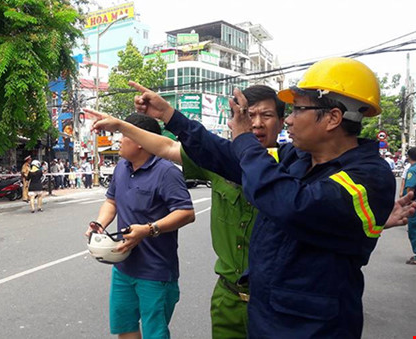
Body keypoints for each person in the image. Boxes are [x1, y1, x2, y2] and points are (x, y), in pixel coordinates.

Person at [88, 84, 416, 339]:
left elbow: (291, 204)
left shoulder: (368, 175)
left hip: (308, 325)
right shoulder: (296, 159)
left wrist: (243, 140)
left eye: (298, 109)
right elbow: (226, 157)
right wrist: (172, 117)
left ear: (332, 118)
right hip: (267, 311)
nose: (289, 119)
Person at [86, 85, 285, 339]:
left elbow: (185, 211)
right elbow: (169, 147)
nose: (255, 124)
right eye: (247, 115)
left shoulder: (294, 166)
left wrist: (150, 230)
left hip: (275, 298)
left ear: (282, 122)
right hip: (228, 296)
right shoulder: (221, 161)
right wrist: (125, 125)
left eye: (265, 116)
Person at [85, 113, 195, 339]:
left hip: (156, 272)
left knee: (155, 333)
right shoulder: (122, 167)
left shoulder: (167, 172)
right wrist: (100, 223)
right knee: (124, 328)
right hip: (123, 268)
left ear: (139, 141)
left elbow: (186, 213)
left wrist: (148, 229)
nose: (118, 141)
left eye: (123, 135)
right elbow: (111, 200)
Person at [403, 147, 416, 264]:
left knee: (414, 230)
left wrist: (407, 202)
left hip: (414, 204)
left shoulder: (413, 170)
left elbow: (410, 189)